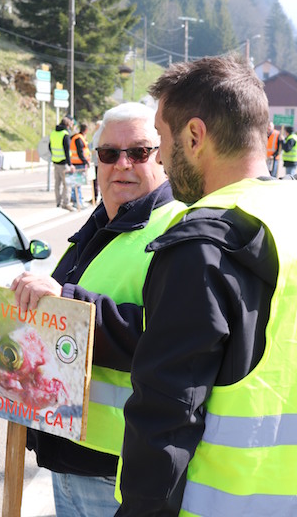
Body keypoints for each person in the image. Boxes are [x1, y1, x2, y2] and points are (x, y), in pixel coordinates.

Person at [115, 54, 297, 516]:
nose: (160, 157)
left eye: (161, 139)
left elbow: (166, 418)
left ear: (194, 136)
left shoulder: (201, 246)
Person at [11, 102, 185, 517]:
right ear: (95, 160)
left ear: (162, 157)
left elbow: (169, 339)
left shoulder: (177, 229)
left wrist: (67, 302)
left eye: (138, 152)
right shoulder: (97, 226)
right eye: (109, 153)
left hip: (118, 469)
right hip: (68, 453)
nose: (122, 164)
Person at [49, 117, 75, 211]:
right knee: (67, 184)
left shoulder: (53, 133)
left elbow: (49, 146)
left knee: (57, 183)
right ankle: (66, 203)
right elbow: (66, 150)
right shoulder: (65, 134)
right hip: (64, 163)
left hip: (55, 161)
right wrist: (70, 164)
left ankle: (58, 202)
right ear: (67, 125)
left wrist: (54, 155)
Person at [70, 123, 90, 209]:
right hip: (78, 163)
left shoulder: (76, 137)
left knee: (76, 184)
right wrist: (85, 161)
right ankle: (78, 203)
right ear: (86, 130)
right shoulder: (79, 138)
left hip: (75, 163)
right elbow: (80, 152)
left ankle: (76, 200)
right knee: (77, 184)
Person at [90, 119, 103, 202]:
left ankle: (100, 197)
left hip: (99, 160)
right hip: (96, 160)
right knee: (96, 179)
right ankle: (96, 196)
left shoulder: (101, 134)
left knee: (100, 179)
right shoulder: (97, 134)